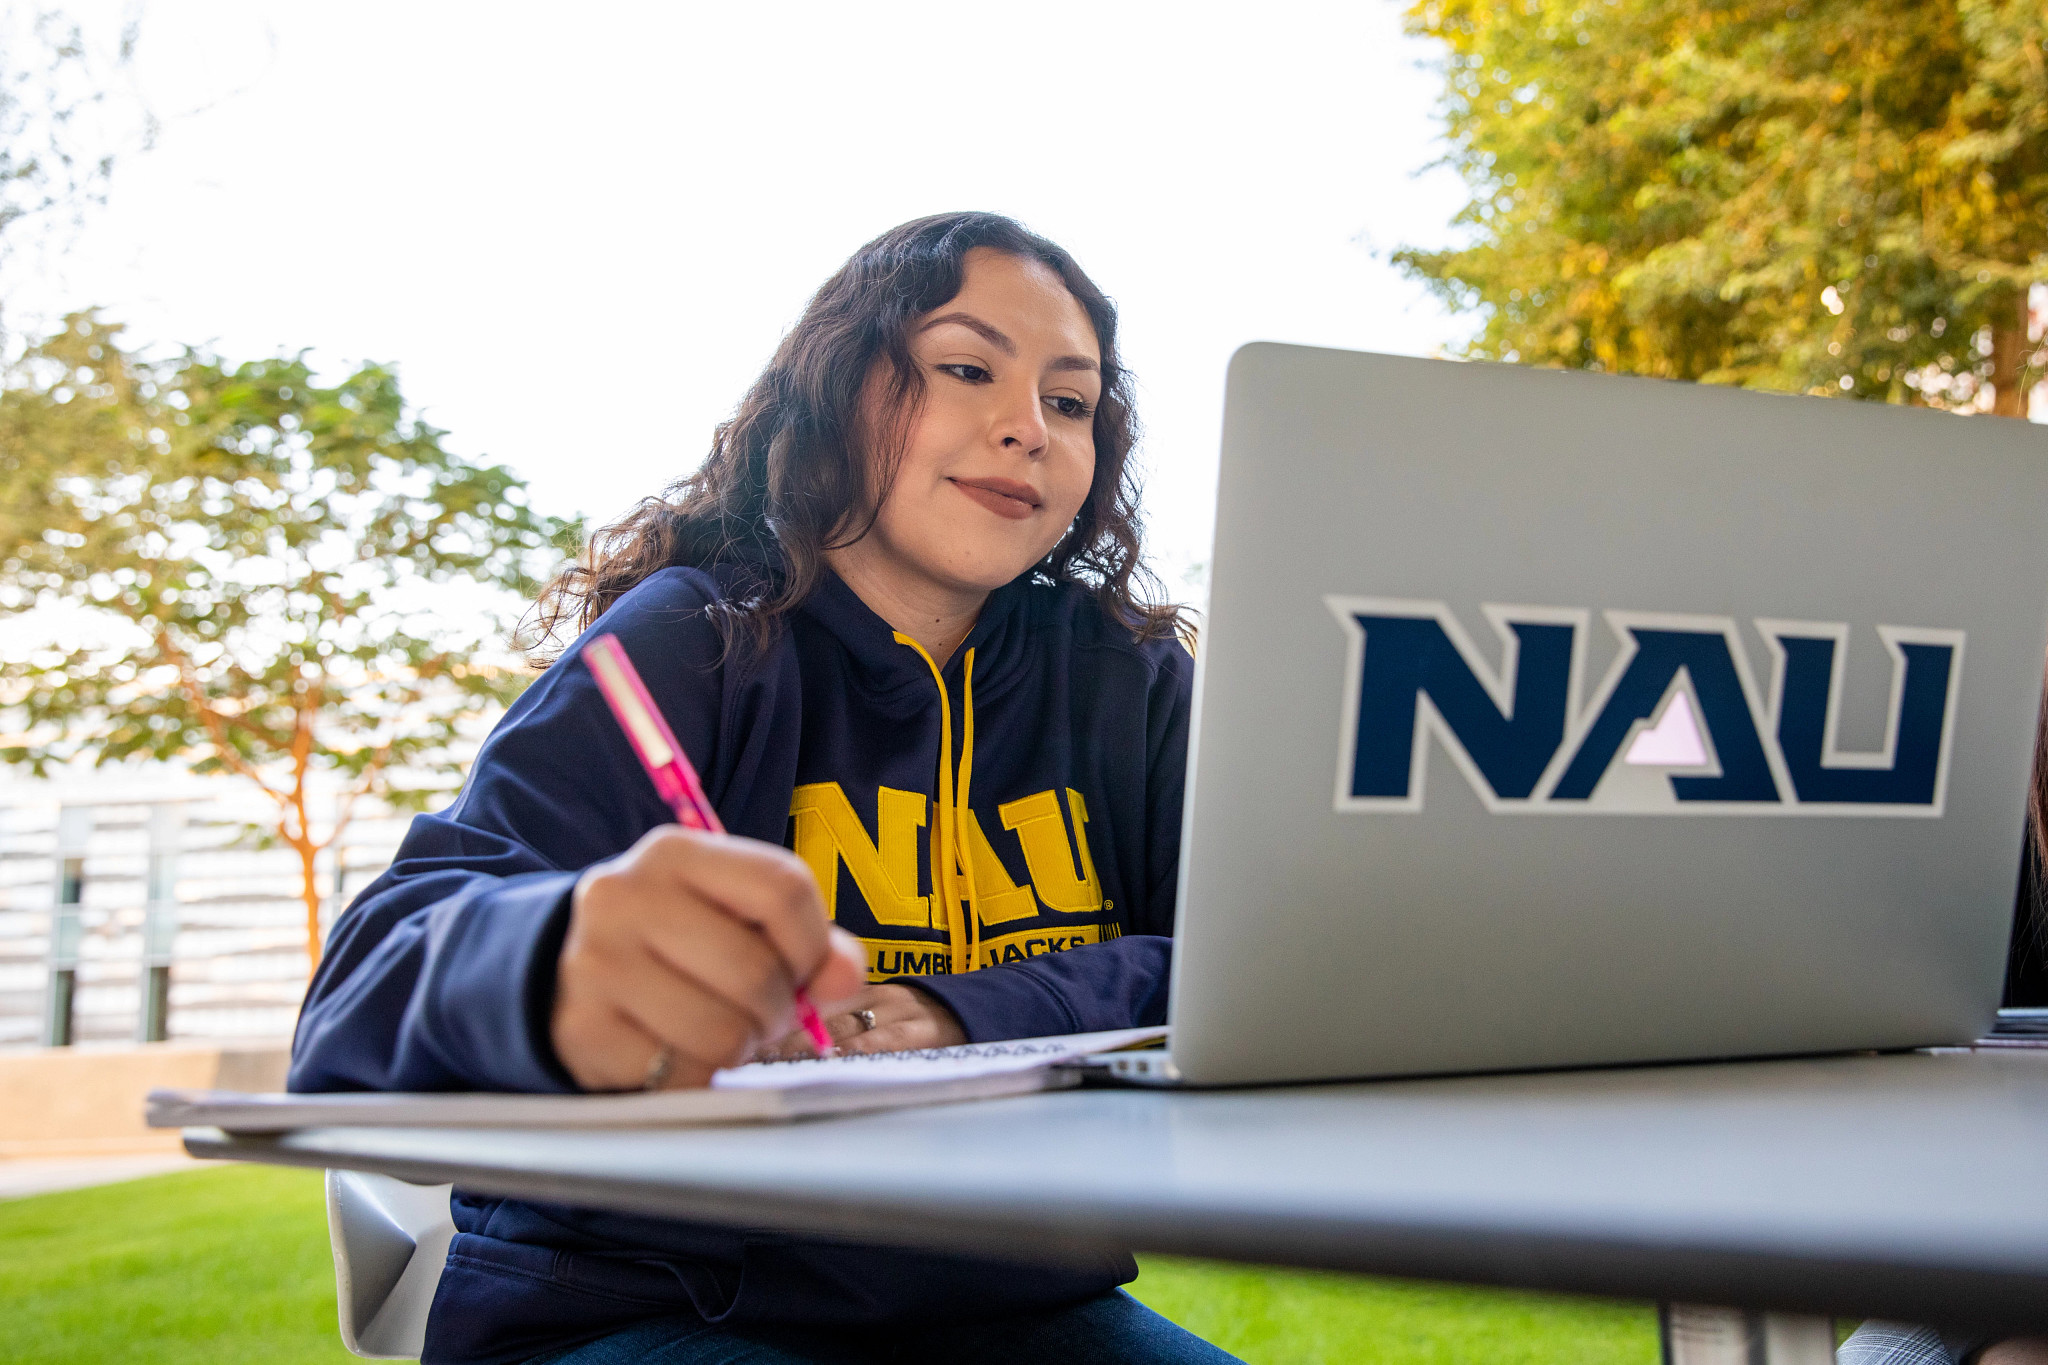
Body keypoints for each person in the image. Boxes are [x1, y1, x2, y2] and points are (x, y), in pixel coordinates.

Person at [289, 212, 1238, 1365]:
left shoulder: (1126, 680)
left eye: (1070, 402)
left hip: (1016, 1302)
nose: (1025, 428)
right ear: (839, 392)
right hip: (645, 1307)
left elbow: (1261, 964)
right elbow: (351, 1009)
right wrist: (549, 959)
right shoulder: (696, 641)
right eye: (965, 369)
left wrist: (964, 1017)